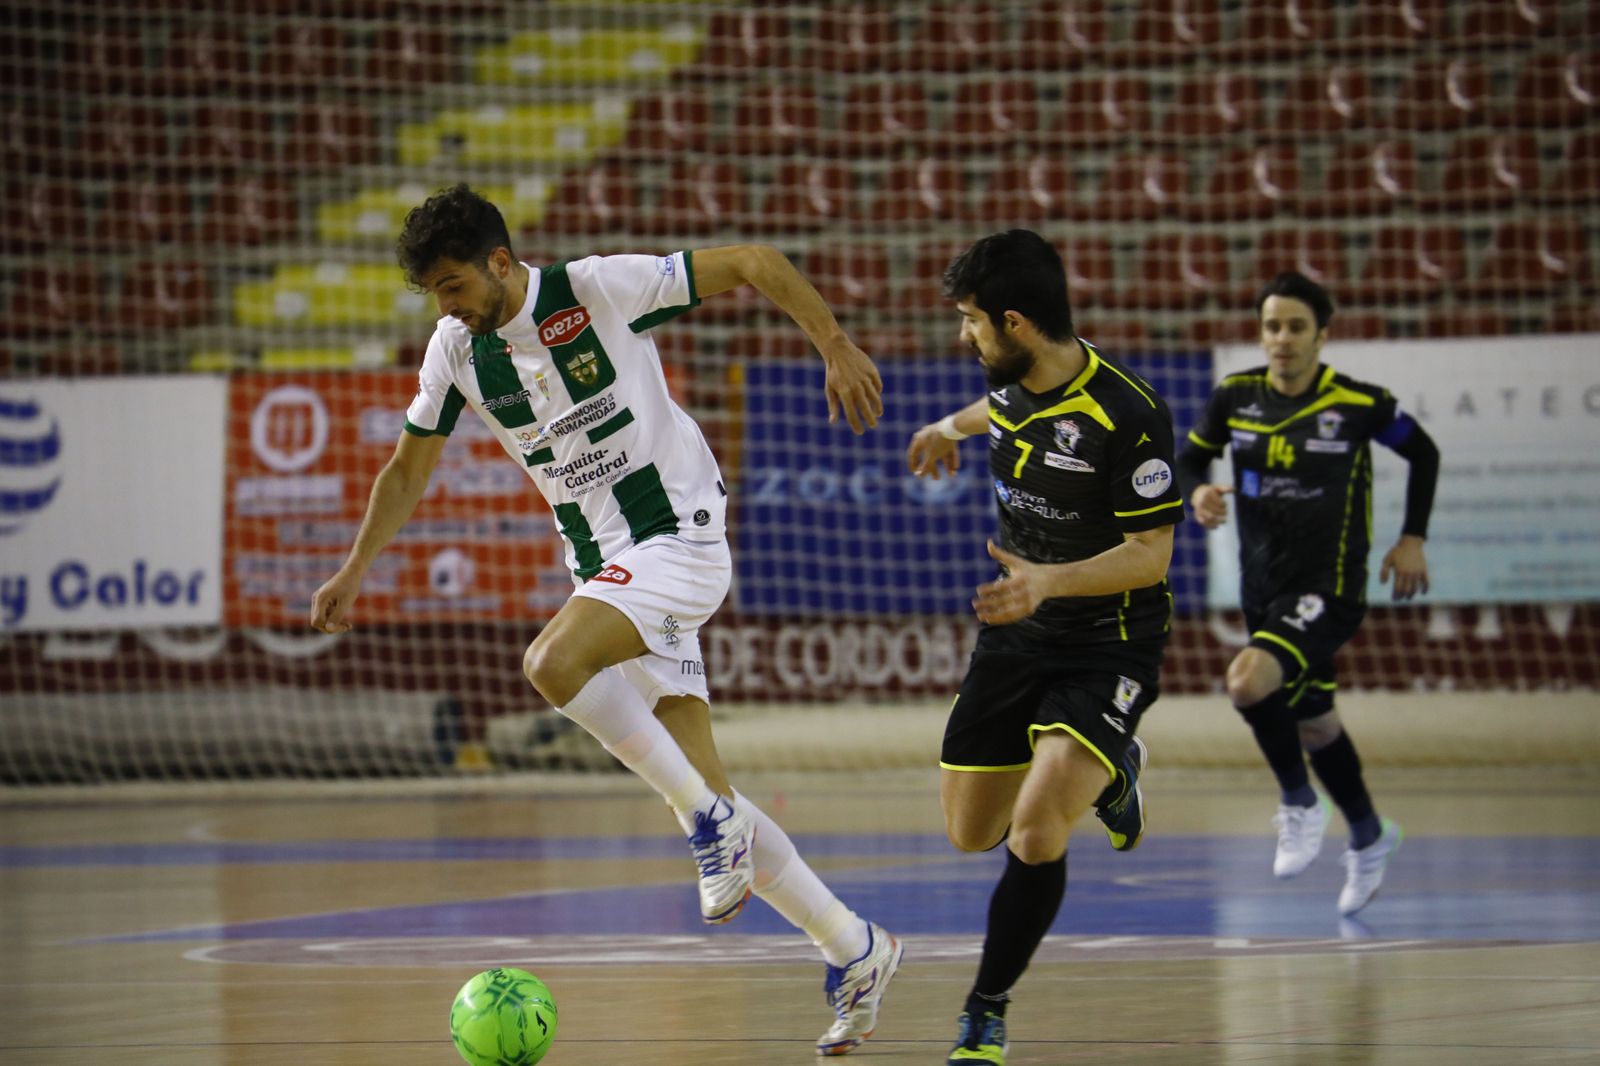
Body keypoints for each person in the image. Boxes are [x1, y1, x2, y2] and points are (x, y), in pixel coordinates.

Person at [309, 185, 901, 1056]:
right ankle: (854, 947)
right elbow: (407, 466)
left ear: (500, 264)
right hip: (605, 564)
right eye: (433, 292)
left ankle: (710, 823)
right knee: (709, 788)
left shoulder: (596, 289)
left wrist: (835, 343)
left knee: (551, 666)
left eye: (451, 285)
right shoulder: (454, 350)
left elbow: (754, 262)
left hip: (681, 537)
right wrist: (356, 566)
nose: (445, 305)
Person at [906, 230, 1185, 1066]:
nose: (966, 336)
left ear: (1016, 322)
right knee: (969, 832)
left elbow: (1152, 556)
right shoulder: (1012, 383)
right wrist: (945, 428)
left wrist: (1048, 582)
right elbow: (994, 408)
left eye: (972, 322)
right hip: (1013, 634)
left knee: (1034, 829)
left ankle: (985, 1010)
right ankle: (1115, 766)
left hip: (1110, 639)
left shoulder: (1129, 415)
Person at [1175, 270, 1440, 917]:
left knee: (1245, 681)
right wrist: (1200, 492)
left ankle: (1298, 801)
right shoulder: (1236, 396)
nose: (1282, 338)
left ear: (1322, 334)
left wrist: (1412, 538)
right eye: (1272, 326)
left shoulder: (1356, 403)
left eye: (1296, 327)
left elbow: (1424, 453)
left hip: (1330, 586)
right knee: (1316, 722)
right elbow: (1191, 459)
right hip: (1262, 586)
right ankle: (1371, 837)